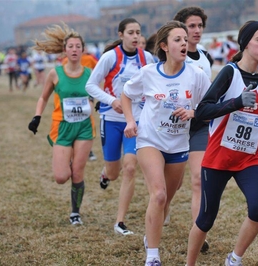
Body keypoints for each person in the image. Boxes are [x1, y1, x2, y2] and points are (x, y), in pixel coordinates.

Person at [186, 20, 258, 266]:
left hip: (249, 157)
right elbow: (204, 110)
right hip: (219, 158)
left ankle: (234, 258)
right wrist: (237, 102)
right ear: (245, 43)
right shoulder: (230, 72)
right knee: (206, 219)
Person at [121, 20, 211, 266]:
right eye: (178, 40)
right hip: (150, 139)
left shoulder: (197, 75)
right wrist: (130, 121)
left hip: (179, 145)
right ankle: (153, 255)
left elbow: (210, 105)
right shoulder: (149, 73)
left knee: (165, 201)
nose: (184, 44)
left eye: (185, 39)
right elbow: (126, 95)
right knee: (158, 195)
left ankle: (149, 235)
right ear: (164, 46)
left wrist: (193, 113)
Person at [85, 17, 154, 236]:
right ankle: (106, 174)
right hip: (112, 121)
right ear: (121, 35)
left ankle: (120, 222)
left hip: (136, 121)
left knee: (131, 167)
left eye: (138, 32)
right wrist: (111, 100)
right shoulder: (110, 57)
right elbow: (90, 85)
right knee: (114, 172)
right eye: (131, 32)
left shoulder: (148, 58)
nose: (135, 37)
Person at [28, 23, 95, 225]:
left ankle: (75, 213)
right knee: (61, 176)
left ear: (82, 49)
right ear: (64, 50)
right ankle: (65, 159)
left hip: (84, 127)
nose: (74, 50)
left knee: (77, 172)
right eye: (71, 46)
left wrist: (98, 103)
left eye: (78, 46)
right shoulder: (55, 73)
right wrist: (37, 116)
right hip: (62, 126)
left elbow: (96, 96)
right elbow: (43, 97)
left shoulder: (90, 74)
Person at [173, 5, 213, 252]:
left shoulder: (206, 57)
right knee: (171, 186)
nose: (197, 30)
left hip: (198, 126)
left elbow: (210, 94)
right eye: (192, 26)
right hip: (173, 128)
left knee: (199, 180)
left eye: (200, 26)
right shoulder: (174, 57)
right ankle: (159, 214)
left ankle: (199, 234)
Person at [63, 46, 99, 161]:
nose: (76, 50)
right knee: (72, 121)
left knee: (87, 120)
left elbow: (99, 69)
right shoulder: (65, 61)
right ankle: (71, 148)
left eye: (79, 47)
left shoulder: (89, 59)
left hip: (87, 93)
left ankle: (88, 150)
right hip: (72, 95)